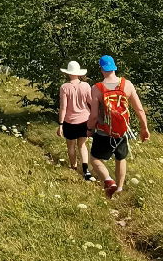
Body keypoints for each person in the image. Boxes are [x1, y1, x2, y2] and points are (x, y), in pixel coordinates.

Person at [88, 55, 150, 199]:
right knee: (120, 158)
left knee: (95, 159)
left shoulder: (97, 88)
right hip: (122, 131)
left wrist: (89, 129)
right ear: (114, 67)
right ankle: (120, 188)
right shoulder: (127, 84)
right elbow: (139, 109)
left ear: (101, 69)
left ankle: (109, 181)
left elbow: (93, 116)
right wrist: (144, 128)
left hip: (104, 132)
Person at [57, 61, 94, 181]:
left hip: (70, 121)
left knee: (71, 146)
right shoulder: (86, 86)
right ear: (78, 73)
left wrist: (61, 124)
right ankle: (86, 170)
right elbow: (91, 102)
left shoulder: (64, 87)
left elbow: (63, 107)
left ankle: (73, 166)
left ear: (68, 73)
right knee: (82, 145)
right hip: (84, 119)